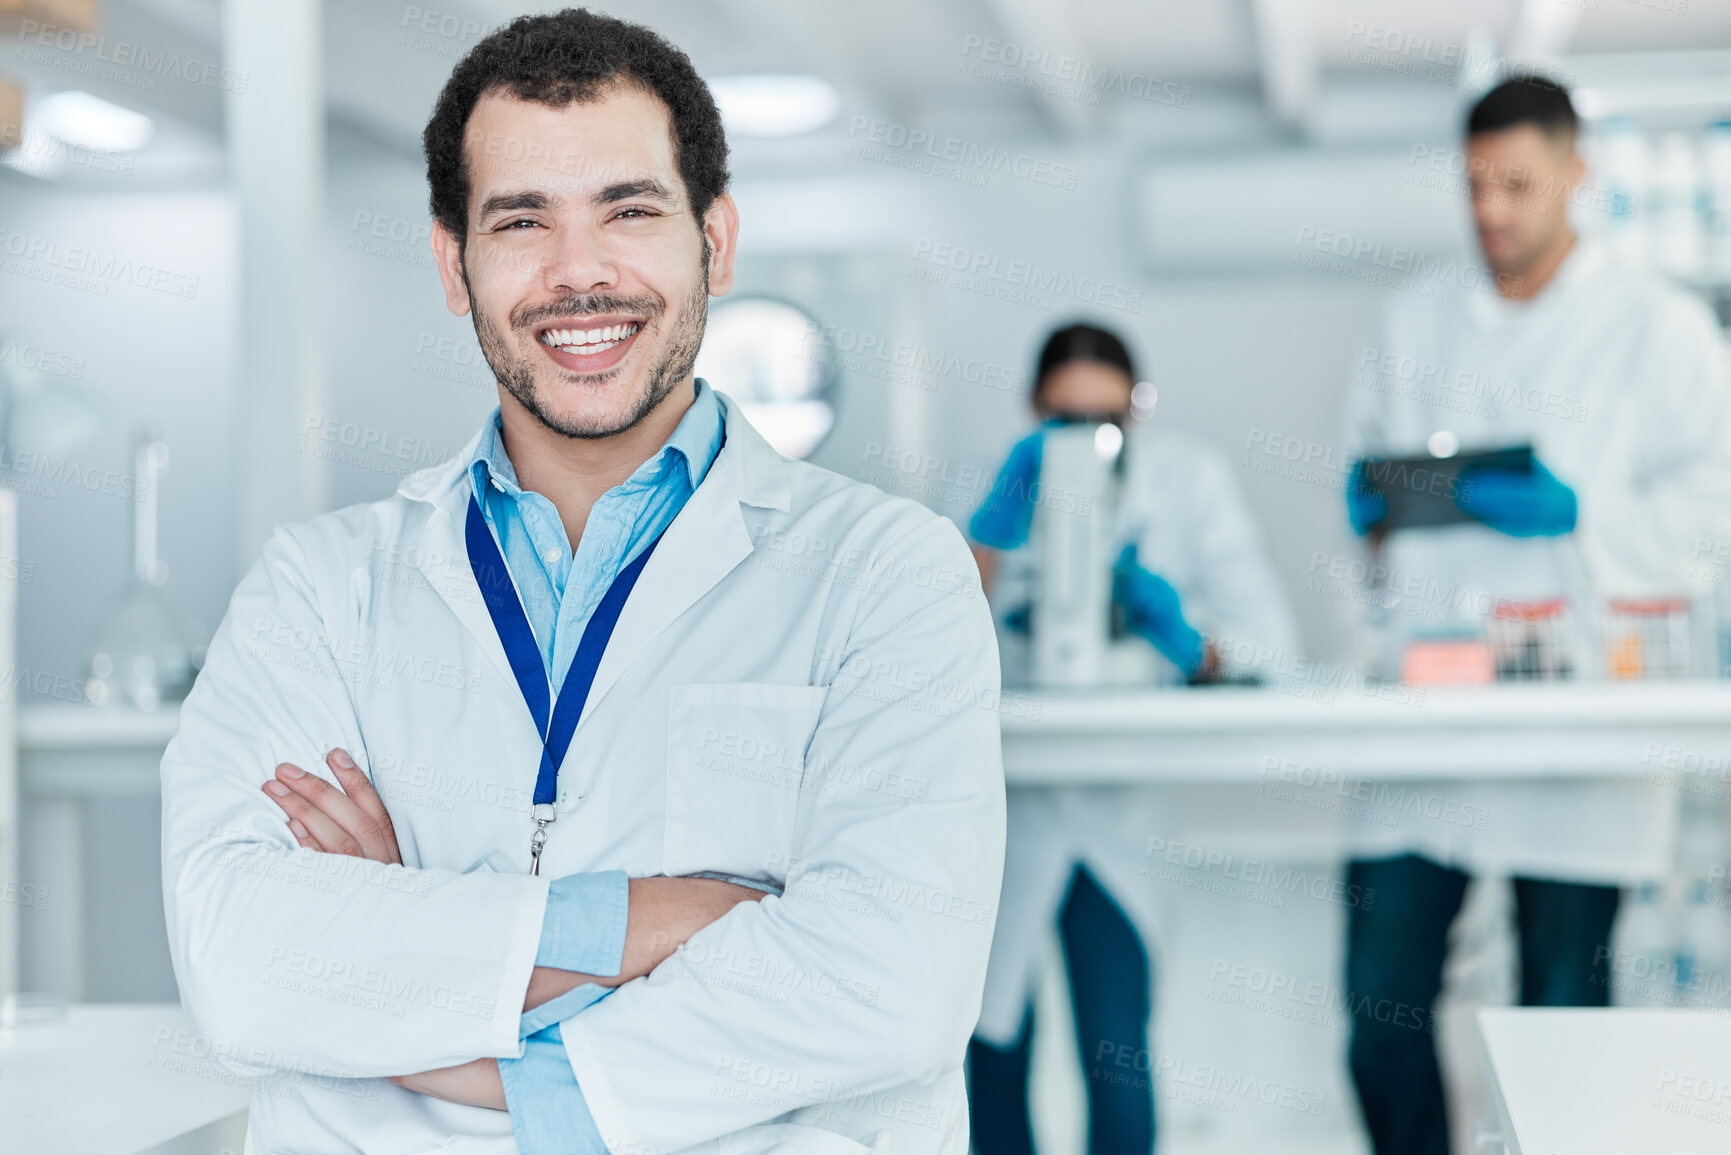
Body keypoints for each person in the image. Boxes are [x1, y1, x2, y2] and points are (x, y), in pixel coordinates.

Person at [160, 10, 1004, 1154]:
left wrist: (421, 978)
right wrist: (652, 920)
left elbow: (892, 980)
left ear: (717, 240)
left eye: (631, 210)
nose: (579, 273)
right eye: (521, 221)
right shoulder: (318, 589)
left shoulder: (887, 574)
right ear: (456, 265)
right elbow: (244, 963)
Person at [1339, 74, 1731, 1155]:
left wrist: (1580, 517)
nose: (1491, 210)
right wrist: (1370, 513)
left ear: (1576, 174)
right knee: (1379, 1014)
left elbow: (1716, 507)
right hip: (1429, 712)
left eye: (1517, 183)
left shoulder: (1659, 326)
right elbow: (1363, 499)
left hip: (1580, 716)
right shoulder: (1414, 318)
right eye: (1474, 184)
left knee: (1564, 1032)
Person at [964, 323, 1299, 1155]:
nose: (1081, 440)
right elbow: (926, 638)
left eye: (1103, 423)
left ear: (1138, 411)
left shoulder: (1187, 483)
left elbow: (1271, 646)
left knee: (1116, 1050)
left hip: (1120, 813)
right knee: (989, 1043)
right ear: (1032, 409)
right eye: (1061, 420)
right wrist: (994, 536)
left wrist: (1186, 637)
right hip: (1008, 808)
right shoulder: (990, 483)